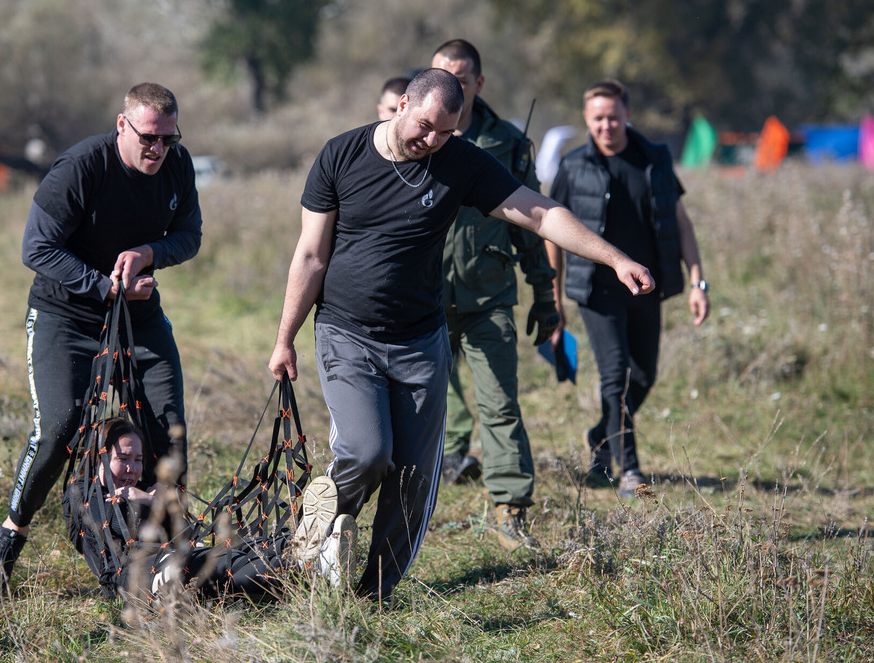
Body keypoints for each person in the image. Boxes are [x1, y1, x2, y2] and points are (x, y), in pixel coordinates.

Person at [268, 69, 655, 600]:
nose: (431, 141)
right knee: (366, 450)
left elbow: (540, 213)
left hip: (420, 340)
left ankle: (373, 596)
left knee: (414, 478)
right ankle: (321, 520)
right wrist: (285, 336)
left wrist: (614, 257)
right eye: (424, 126)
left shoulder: (460, 161)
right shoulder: (341, 155)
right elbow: (311, 254)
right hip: (346, 332)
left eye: (445, 132)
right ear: (401, 104)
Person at [0, 83, 203, 592]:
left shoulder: (177, 166)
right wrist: (104, 286)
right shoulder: (81, 167)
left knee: (169, 434)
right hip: (67, 314)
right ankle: (11, 533)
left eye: (168, 139)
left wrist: (149, 252)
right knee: (61, 426)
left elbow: (190, 235)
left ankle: (160, 562)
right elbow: (37, 248)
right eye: (148, 137)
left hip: (140, 317)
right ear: (122, 125)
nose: (158, 149)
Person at [546, 79, 709, 498]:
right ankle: (631, 470)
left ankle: (601, 437)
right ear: (586, 119)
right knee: (615, 376)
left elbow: (682, 223)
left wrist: (697, 282)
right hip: (597, 290)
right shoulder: (573, 165)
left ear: (627, 115)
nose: (606, 125)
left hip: (647, 289)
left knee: (646, 374)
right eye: (598, 118)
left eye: (613, 117)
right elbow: (551, 234)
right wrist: (554, 296)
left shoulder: (653, 159)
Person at [430, 39, 558, 551]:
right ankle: (407, 509)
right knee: (416, 410)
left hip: (489, 296)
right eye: (442, 74)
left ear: (478, 83)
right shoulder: (415, 136)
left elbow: (532, 223)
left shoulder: (505, 142)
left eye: (462, 77)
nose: (452, 84)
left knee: (500, 405)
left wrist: (544, 294)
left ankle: (510, 511)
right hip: (426, 300)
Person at [63, 419, 356, 600]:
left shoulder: (144, 491)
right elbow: (107, 533)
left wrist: (163, 504)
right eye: (123, 458)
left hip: (176, 561)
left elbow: (187, 534)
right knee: (213, 566)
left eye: (138, 460)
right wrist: (141, 499)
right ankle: (311, 563)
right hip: (136, 580)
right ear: (97, 458)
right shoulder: (83, 495)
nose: (131, 469)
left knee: (236, 555)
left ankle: (309, 552)